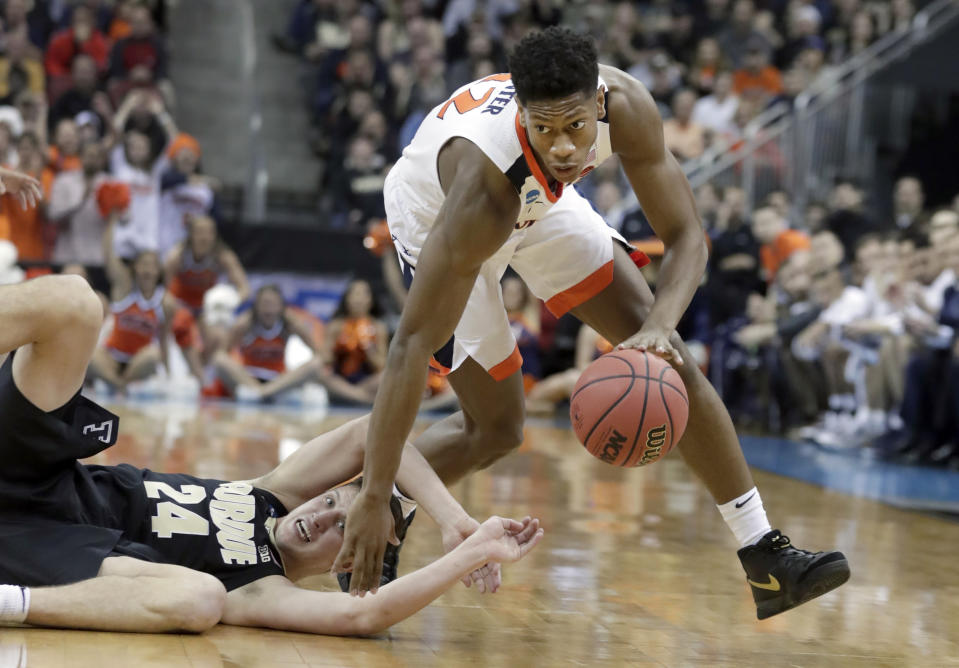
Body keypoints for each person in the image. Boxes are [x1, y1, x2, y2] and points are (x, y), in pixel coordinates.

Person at [334, 27, 849, 620]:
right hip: (438, 216)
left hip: (540, 206)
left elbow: (686, 239)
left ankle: (764, 555)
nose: (562, 147)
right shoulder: (482, 195)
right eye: (544, 128)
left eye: (575, 128)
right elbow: (409, 347)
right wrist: (372, 492)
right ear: (522, 113)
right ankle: (381, 506)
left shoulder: (627, 106)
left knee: (670, 360)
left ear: (598, 104)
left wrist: (658, 326)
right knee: (497, 428)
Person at [0, 273, 543, 635]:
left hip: (51, 547)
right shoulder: (271, 494)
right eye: (333, 500)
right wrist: (454, 521)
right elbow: (368, 433)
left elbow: (366, 615)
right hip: (45, 477)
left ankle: (9, 603)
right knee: (74, 301)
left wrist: (472, 556)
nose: (321, 513)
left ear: (349, 561)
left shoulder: (263, 589)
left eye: (341, 526)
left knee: (201, 601)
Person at [88, 214, 203, 391]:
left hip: (139, 362)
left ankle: (117, 384)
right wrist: (112, 219)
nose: (147, 270)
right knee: (91, 356)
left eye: (152, 266)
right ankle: (121, 385)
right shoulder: (123, 288)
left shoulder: (165, 302)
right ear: (135, 268)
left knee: (153, 355)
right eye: (143, 265)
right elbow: (109, 255)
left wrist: (168, 374)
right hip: (112, 356)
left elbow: (164, 339)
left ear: (159, 271)